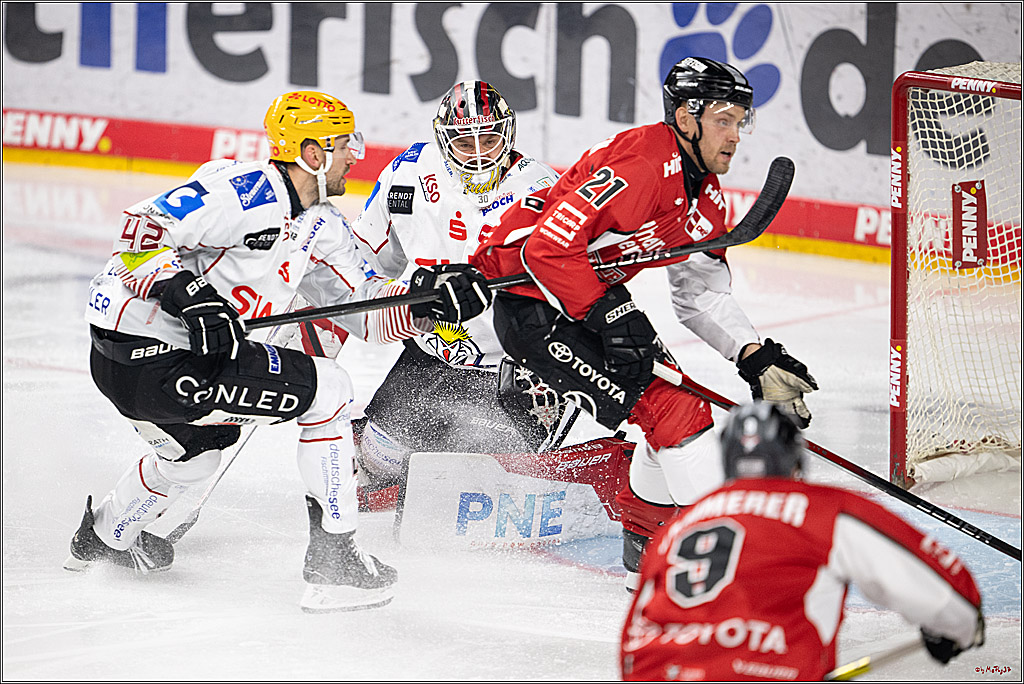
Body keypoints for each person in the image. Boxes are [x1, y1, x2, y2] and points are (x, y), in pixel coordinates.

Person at [64, 90, 491, 613]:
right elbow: (138, 231)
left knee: (194, 458)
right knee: (329, 391)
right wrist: (186, 294)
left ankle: (104, 539)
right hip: (152, 354)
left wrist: (429, 300)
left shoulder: (322, 227)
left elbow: (359, 310)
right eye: (345, 143)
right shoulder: (243, 192)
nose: (357, 153)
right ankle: (336, 563)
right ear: (313, 154)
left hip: (137, 367)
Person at [470, 56, 818, 590]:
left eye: (740, 121)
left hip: (587, 301)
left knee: (670, 416)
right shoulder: (641, 164)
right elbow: (547, 250)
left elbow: (699, 293)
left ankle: (650, 545)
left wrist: (754, 356)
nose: (734, 135)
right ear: (686, 118)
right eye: (723, 120)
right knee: (677, 412)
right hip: (533, 303)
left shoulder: (705, 193)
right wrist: (608, 310)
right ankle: (709, 576)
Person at [620, 401, 985, 681]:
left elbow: (633, 642)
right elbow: (949, 600)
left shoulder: (680, 527)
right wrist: (959, 629)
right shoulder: (823, 510)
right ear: (794, 462)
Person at [350, 80, 584, 490]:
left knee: (473, 474)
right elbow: (367, 259)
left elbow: (568, 286)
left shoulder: (539, 189)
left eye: (489, 140)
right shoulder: (408, 175)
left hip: (515, 365)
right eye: (464, 143)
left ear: (507, 134)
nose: (478, 155)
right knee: (377, 463)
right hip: (431, 350)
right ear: (444, 142)